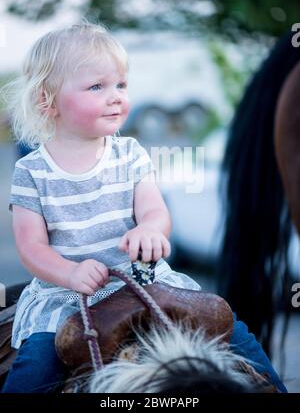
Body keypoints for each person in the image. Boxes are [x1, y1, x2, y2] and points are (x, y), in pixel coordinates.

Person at [1, 21, 286, 393]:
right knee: (37, 364)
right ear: (47, 100)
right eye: (96, 87)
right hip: (67, 294)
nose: (116, 96)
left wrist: (151, 230)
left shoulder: (130, 154)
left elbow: (155, 211)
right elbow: (31, 247)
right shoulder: (31, 171)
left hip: (145, 282)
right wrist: (70, 274)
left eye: (121, 84)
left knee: (229, 326)